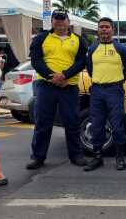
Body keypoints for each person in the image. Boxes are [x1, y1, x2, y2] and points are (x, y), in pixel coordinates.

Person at [26, 10, 87, 170]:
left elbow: (81, 62)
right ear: (52, 21)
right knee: (42, 123)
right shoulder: (41, 38)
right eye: (56, 19)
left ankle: (76, 155)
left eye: (63, 19)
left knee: (72, 122)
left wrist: (65, 75)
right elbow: (36, 60)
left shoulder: (78, 40)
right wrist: (51, 76)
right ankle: (38, 157)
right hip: (46, 85)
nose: (60, 22)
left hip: (69, 86)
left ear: (68, 21)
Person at [83, 17, 126, 172]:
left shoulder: (121, 49)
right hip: (97, 90)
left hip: (114, 90)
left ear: (113, 30)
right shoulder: (92, 49)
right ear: (98, 30)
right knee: (96, 125)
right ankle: (97, 157)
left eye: (107, 27)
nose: (104, 29)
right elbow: (90, 69)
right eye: (101, 27)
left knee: (117, 125)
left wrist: (114, 82)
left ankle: (120, 158)